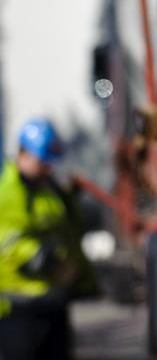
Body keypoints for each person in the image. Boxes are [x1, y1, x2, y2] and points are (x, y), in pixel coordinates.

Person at [0, 118, 96, 360]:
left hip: (53, 300)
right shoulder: (9, 193)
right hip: (19, 308)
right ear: (22, 155)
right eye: (42, 161)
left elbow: (64, 228)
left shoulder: (47, 188)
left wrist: (71, 197)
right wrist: (50, 261)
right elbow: (9, 244)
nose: (47, 168)